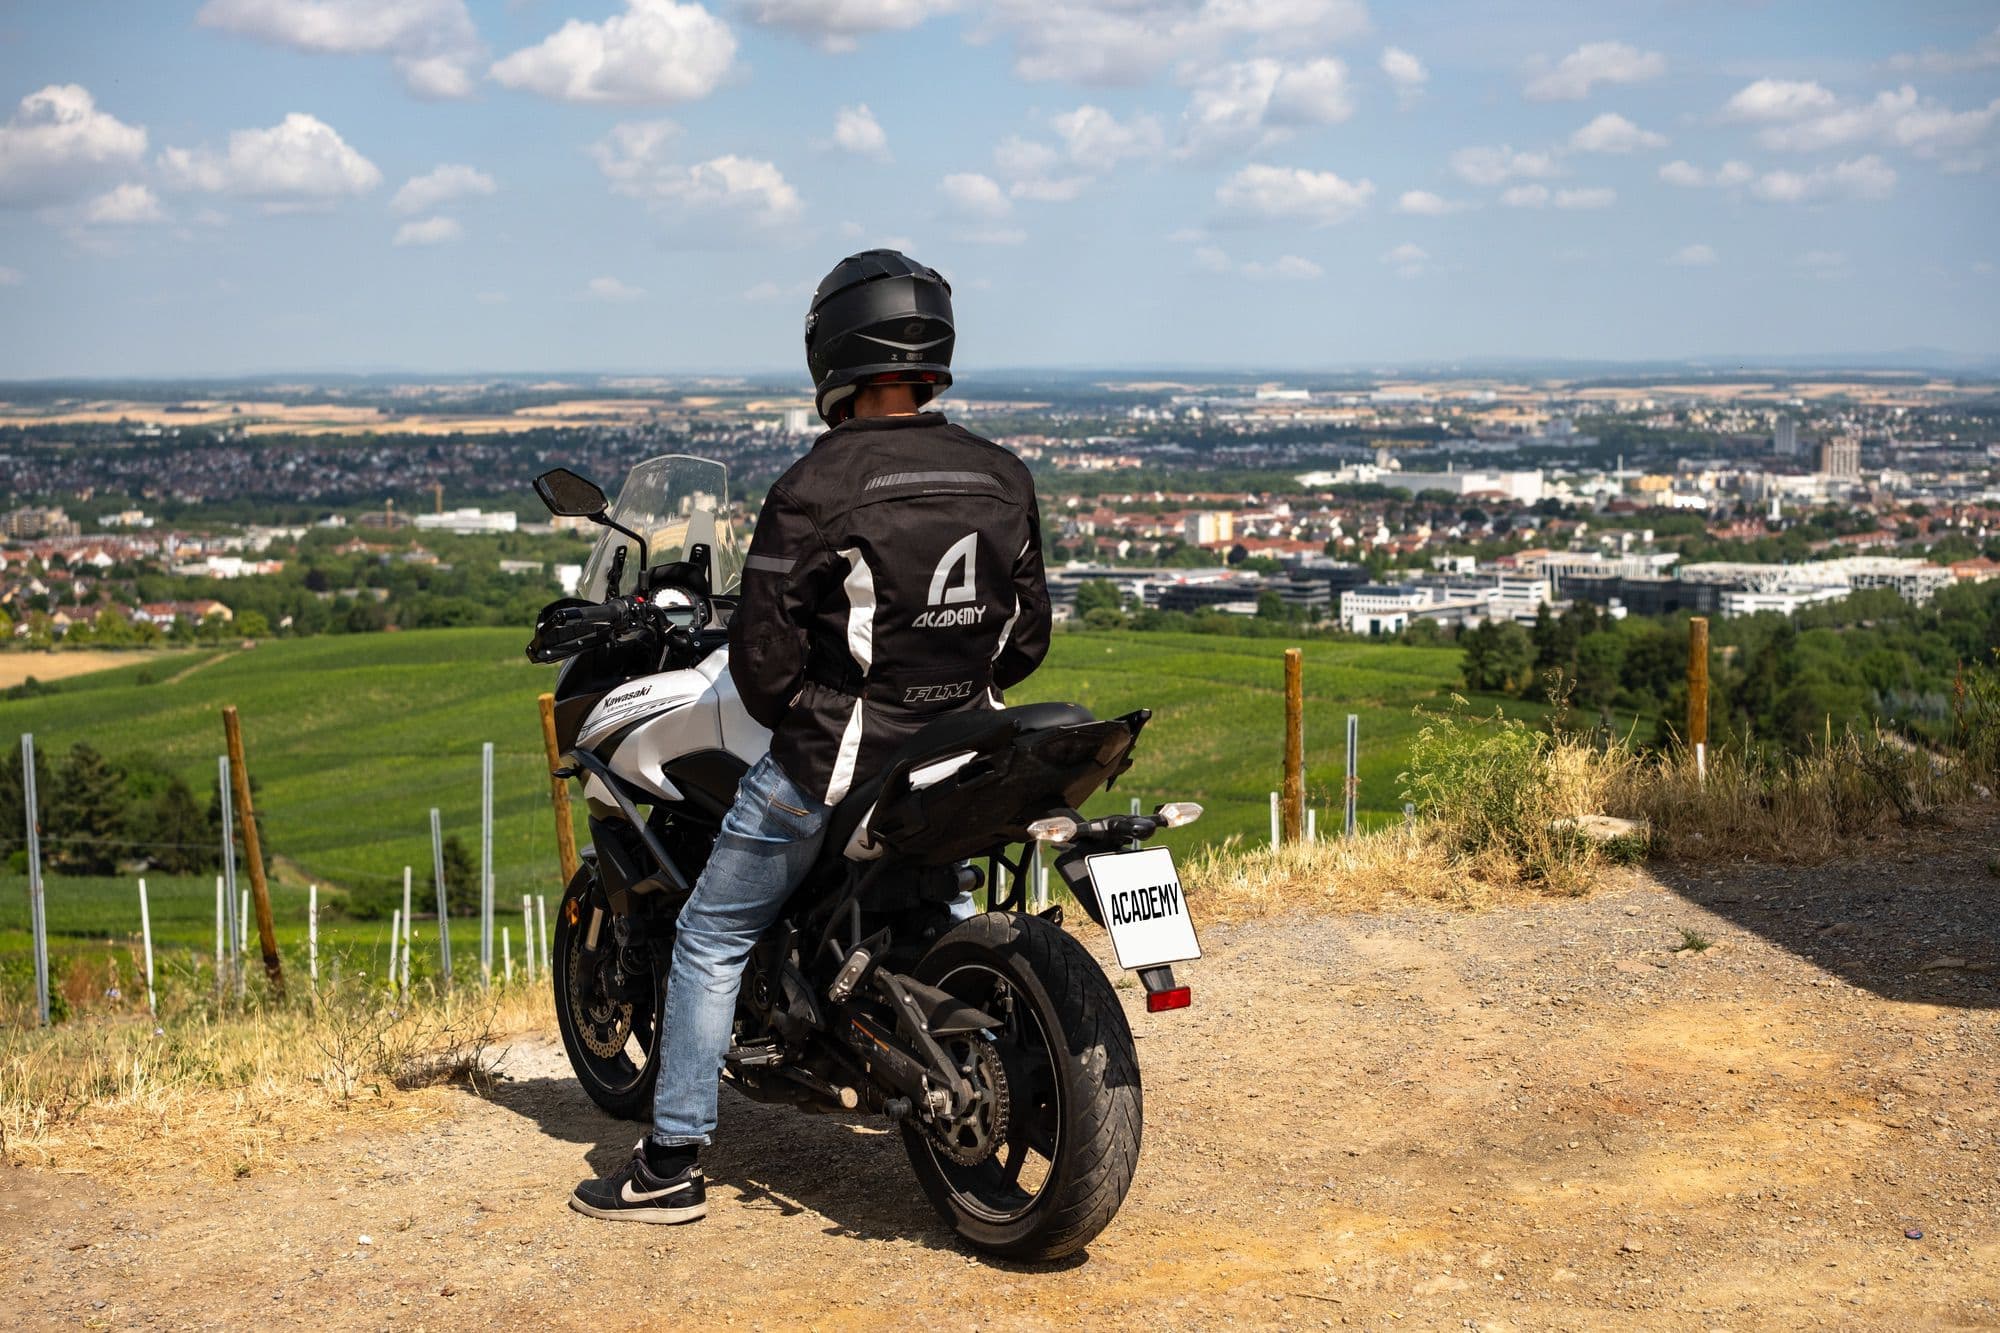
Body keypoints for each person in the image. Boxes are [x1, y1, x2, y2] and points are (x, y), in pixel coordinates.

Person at [569, 250, 1052, 1224]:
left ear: (833, 349)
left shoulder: (816, 486)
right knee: (938, 900)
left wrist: (821, 702)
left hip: (839, 763)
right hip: (967, 752)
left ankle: (669, 1163)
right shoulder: (1002, 475)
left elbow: (760, 667)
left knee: (711, 933)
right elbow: (1028, 639)